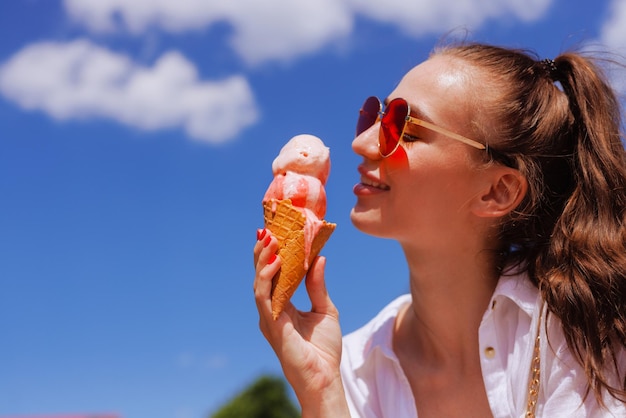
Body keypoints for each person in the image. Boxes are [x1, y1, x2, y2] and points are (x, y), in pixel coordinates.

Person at [253, 41, 626, 417]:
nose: (361, 143)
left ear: (497, 191)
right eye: (374, 117)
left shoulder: (581, 336)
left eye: (404, 127)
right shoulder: (352, 366)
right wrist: (322, 394)